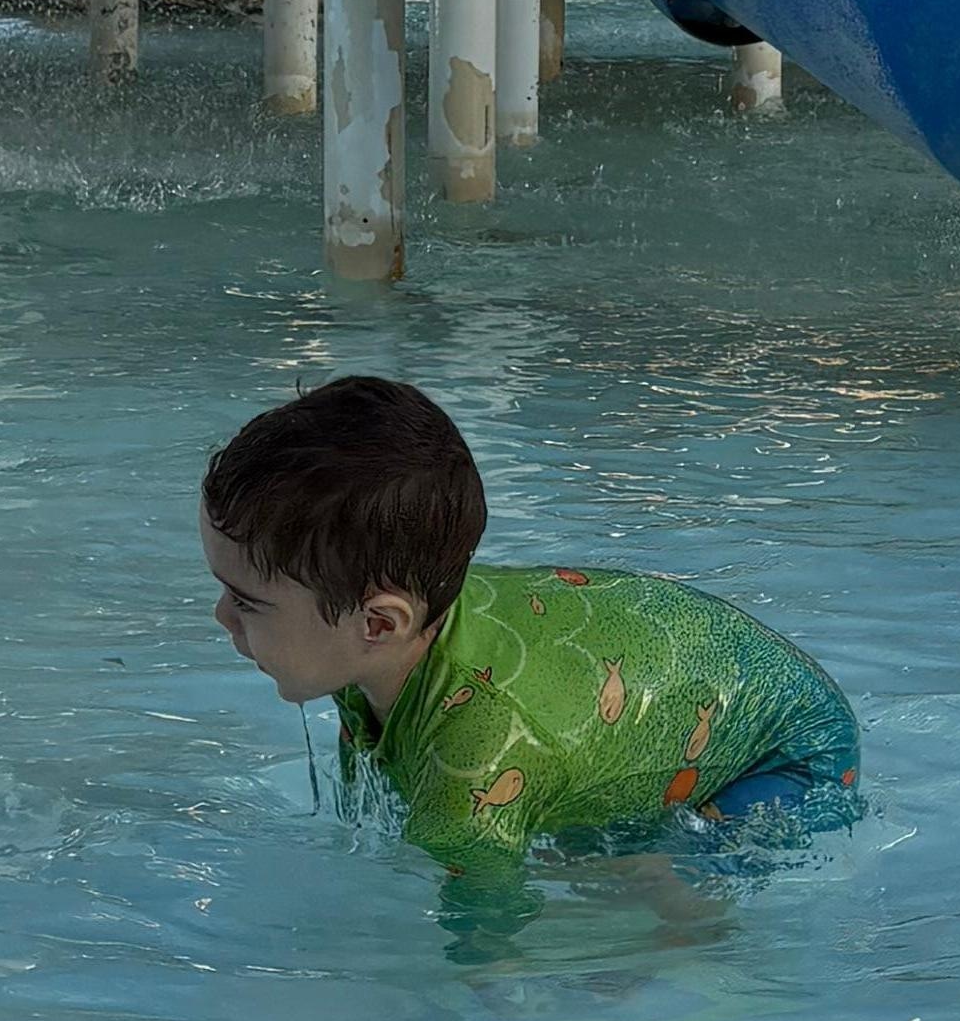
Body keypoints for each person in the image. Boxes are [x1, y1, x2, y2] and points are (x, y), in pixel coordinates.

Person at [199, 375, 856, 875]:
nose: (221, 616)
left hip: (789, 752)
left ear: (379, 623)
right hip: (675, 693)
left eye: (247, 602)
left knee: (649, 892)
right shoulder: (374, 644)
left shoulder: (474, 761)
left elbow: (487, 957)